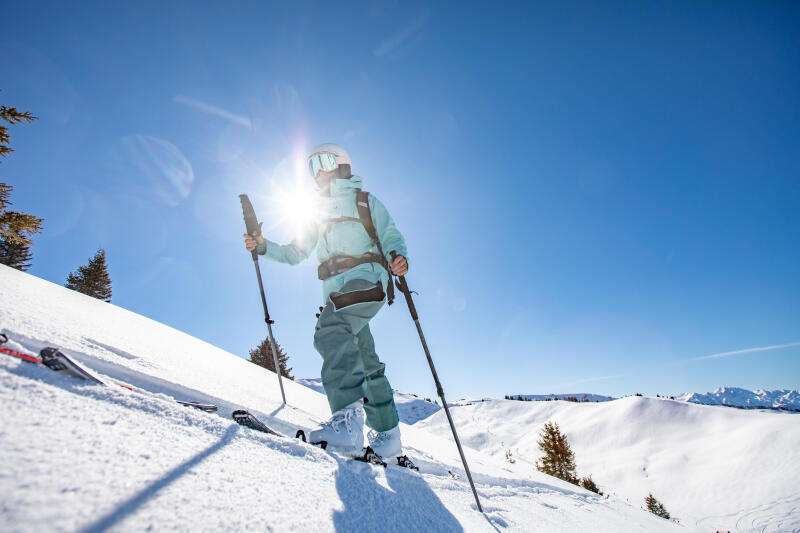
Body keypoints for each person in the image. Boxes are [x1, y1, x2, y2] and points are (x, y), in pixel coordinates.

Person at [243, 143, 409, 462]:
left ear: (343, 165)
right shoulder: (316, 213)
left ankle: (347, 424)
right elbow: (295, 252)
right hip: (336, 291)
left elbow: (390, 235)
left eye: (325, 160)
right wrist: (263, 247)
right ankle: (388, 436)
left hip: (368, 277)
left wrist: (398, 257)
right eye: (312, 165)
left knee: (330, 330)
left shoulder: (363, 201)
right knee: (364, 357)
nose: (318, 170)